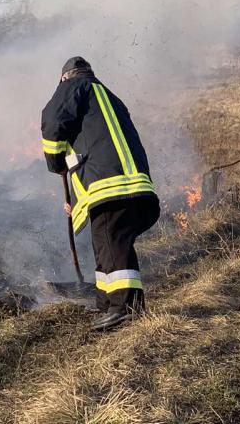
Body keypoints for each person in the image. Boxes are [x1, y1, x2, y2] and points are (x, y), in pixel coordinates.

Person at [41, 56, 160, 331]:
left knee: (111, 241)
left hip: (111, 187)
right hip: (138, 187)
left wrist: (55, 162)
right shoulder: (109, 97)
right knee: (108, 242)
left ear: (64, 77)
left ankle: (125, 308)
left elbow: (52, 122)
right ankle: (107, 303)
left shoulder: (74, 87)